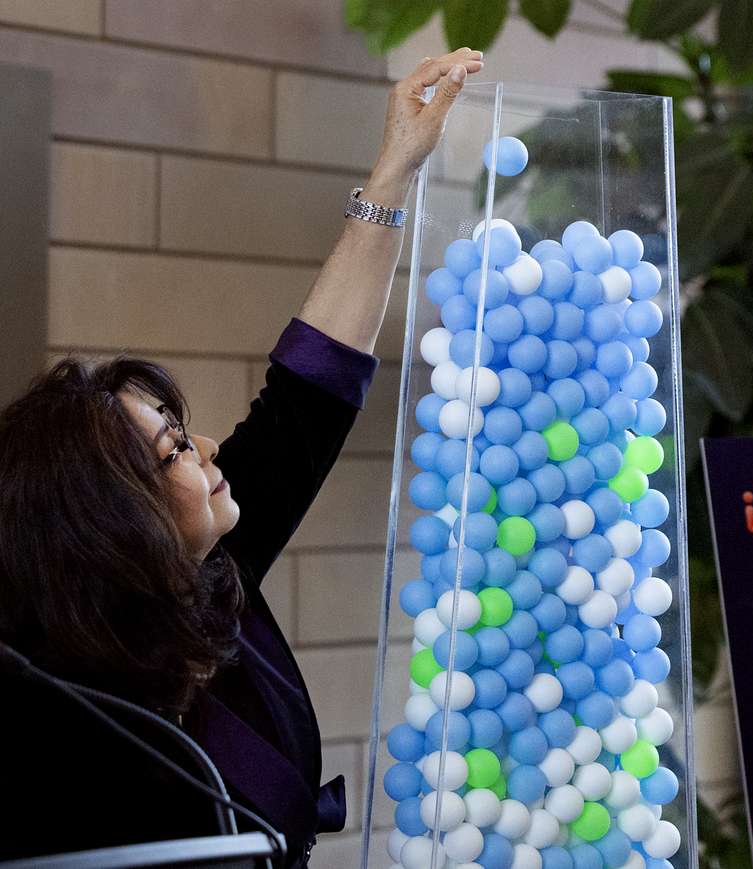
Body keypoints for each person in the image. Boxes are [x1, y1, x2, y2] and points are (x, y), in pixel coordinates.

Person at [0, 47, 484, 865]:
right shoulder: (50, 707)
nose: (212, 448)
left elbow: (311, 394)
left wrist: (395, 172)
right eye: (176, 449)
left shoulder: (212, 580)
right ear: (113, 515)